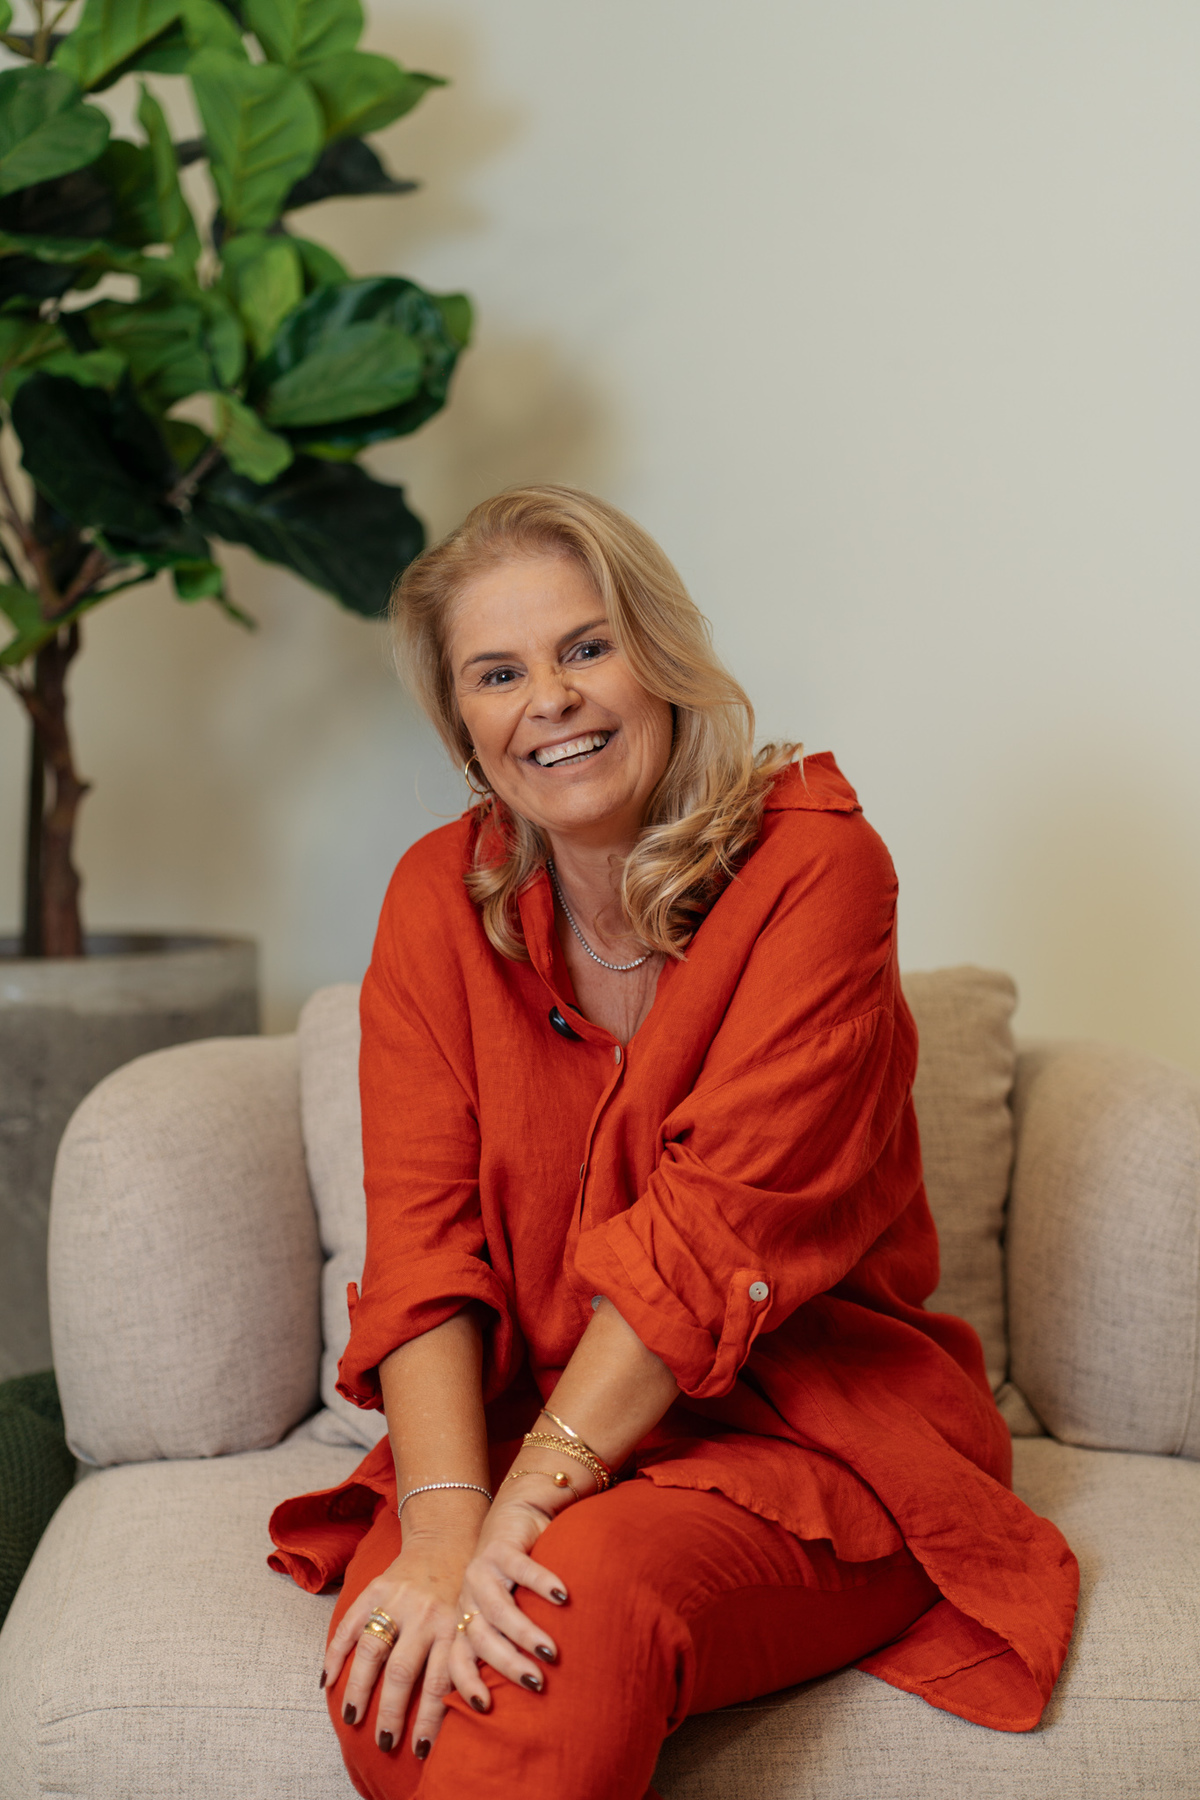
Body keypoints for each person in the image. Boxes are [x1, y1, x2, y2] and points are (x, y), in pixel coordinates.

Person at [268, 486, 1078, 1800]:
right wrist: (446, 1527)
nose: (552, 699)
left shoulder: (818, 869)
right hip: (527, 1417)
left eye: (587, 647)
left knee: (538, 1649)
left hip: (802, 1434)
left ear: (660, 658)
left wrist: (524, 1509)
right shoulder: (434, 896)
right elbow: (421, 1247)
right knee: (397, 1691)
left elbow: (710, 1240)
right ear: (464, 726)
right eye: (498, 673)